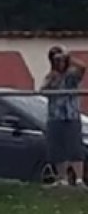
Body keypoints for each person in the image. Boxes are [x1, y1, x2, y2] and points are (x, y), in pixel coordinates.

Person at [40, 46, 87, 187]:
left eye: (60, 59)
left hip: (71, 116)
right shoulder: (51, 76)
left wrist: (69, 57)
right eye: (55, 59)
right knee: (58, 149)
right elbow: (42, 91)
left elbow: (82, 68)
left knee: (75, 148)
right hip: (55, 117)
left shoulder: (72, 75)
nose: (58, 62)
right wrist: (51, 80)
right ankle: (62, 179)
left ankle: (79, 180)